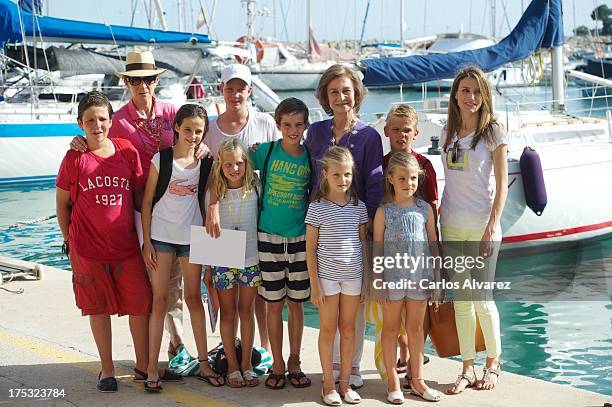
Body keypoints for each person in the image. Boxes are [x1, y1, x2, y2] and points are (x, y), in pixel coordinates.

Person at [70, 51, 193, 364]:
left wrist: (200, 145)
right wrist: (78, 140)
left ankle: (175, 344)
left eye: (148, 79)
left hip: (177, 206)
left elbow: (191, 137)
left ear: (155, 81)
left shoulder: (172, 112)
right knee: (153, 280)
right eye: (136, 80)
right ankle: (166, 346)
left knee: (174, 280)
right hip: (139, 213)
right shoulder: (118, 118)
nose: (143, 85)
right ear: (126, 82)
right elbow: (97, 138)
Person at [56, 91, 151, 393]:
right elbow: (62, 204)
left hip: (126, 248)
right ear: (79, 124)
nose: (96, 125)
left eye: (101, 119)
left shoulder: (126, 151)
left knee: (140, 306)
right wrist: (67, 240)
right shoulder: (74, 157)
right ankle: (106, 368)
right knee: (97, 309)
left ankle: (143, 363)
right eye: (89, 120)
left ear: (111, 120)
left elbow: (139, 197)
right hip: (87, 248)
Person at [305, 64, 384, 389]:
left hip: (356, 226)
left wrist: (371, 232)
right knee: (328, 304)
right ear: (325, 95)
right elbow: (310, 177)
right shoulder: (317, 132)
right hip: (323, 226)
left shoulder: (369, 136)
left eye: (346, 91)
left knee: (354, 307)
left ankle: (352, 366)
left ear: (357, 94)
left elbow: (375, 185)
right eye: (334, 91)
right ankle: (331, 367)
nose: (340, 97)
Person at [140, 104, 224, 391]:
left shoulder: (207, 162)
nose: (192, 136)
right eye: (187, 129)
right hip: (161, 238)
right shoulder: (160, 160)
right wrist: (146, 242)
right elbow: (147, 201)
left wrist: (213, 208)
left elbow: (214, 194)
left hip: (192, 239)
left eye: (199, 131)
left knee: (193, 298)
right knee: (160, 301)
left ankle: (203, 362)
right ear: (176, 127)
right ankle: (152, 368)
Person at [440, 66, 507, 394]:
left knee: (482, 298)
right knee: (462, 300)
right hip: (450, 225)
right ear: (455, 94)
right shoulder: (446, 132)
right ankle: (467, 367)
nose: (471, 97)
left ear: (485, 96)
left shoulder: (493, 132)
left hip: (482, 227)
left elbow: (503, 185)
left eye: (477, 92)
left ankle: (493, 362)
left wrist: (492, 225)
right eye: (465, 90)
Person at [206, 63, 280, 352]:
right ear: (222, 90)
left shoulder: (264, 122)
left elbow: (276, 166)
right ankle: (230, 350)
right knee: (224, 294)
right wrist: (211, 206)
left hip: (255, 218)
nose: (235, 94)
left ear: (250, 90)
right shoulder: (210, 129)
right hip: (220, 219)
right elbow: (207, 174)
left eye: (241, 88)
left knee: (257, 293)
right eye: (230, 88)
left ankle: (259, 349)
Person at [249, 98, 313, 390]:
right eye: (287, 125)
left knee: (296, 305)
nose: (292, 130)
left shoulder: (310, 157)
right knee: (273, 305)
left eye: (298, 125)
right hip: (268, 236)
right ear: (277, 126)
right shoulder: (268, 151)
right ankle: (276, 363)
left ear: (305, 126)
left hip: (299, 238)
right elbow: (232, 163)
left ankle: (295, 360)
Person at [373, 152, 442, 404]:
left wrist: (436, 278)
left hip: (419, 278)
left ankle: (417, 379)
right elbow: (377, 249)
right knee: (391, 330)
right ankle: (393, 381)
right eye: (402, 178)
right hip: (392, 279)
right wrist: (378, 280)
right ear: (390, 179)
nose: (408, 183)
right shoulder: (384, 212)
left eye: (413, 178)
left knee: (415, 329)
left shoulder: (425, 209)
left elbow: (433, 244)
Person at [306, 146, 368, 405]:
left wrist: (366, 281)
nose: (343, 180)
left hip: (353, 277)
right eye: (337, 175)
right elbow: (310, 248)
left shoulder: (359, 207)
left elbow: (364, 246)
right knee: (328, 329)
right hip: (327, 279)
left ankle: (345, 383)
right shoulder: (317, 208)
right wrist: (315, 285)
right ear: (325, 175)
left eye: (347, 174)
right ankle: (328, 384)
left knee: (349, 329)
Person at [381, 104, 437, 385]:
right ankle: (395, 372)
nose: (401, 134)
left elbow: (431, 218)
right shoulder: (381, 166)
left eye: (407, 130)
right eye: (396, 129)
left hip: (418, 262)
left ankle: (416, 373)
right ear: (386, 131)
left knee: (416, 324)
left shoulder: (424, 166)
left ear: (415, 132)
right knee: (391, 324)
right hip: (390, 260)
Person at [205, 138, 261, 388]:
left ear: (246, 163)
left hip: (251, 258)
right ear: (221, 165)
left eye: (239, 163)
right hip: (223, 257)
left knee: (246, 312)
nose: (234, 168)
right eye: (229, 164)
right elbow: (207, 230)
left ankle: (247, 364)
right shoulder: (215, 191)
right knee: (228, 313)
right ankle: (232, 365)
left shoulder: (256, 186)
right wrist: (208, 268)